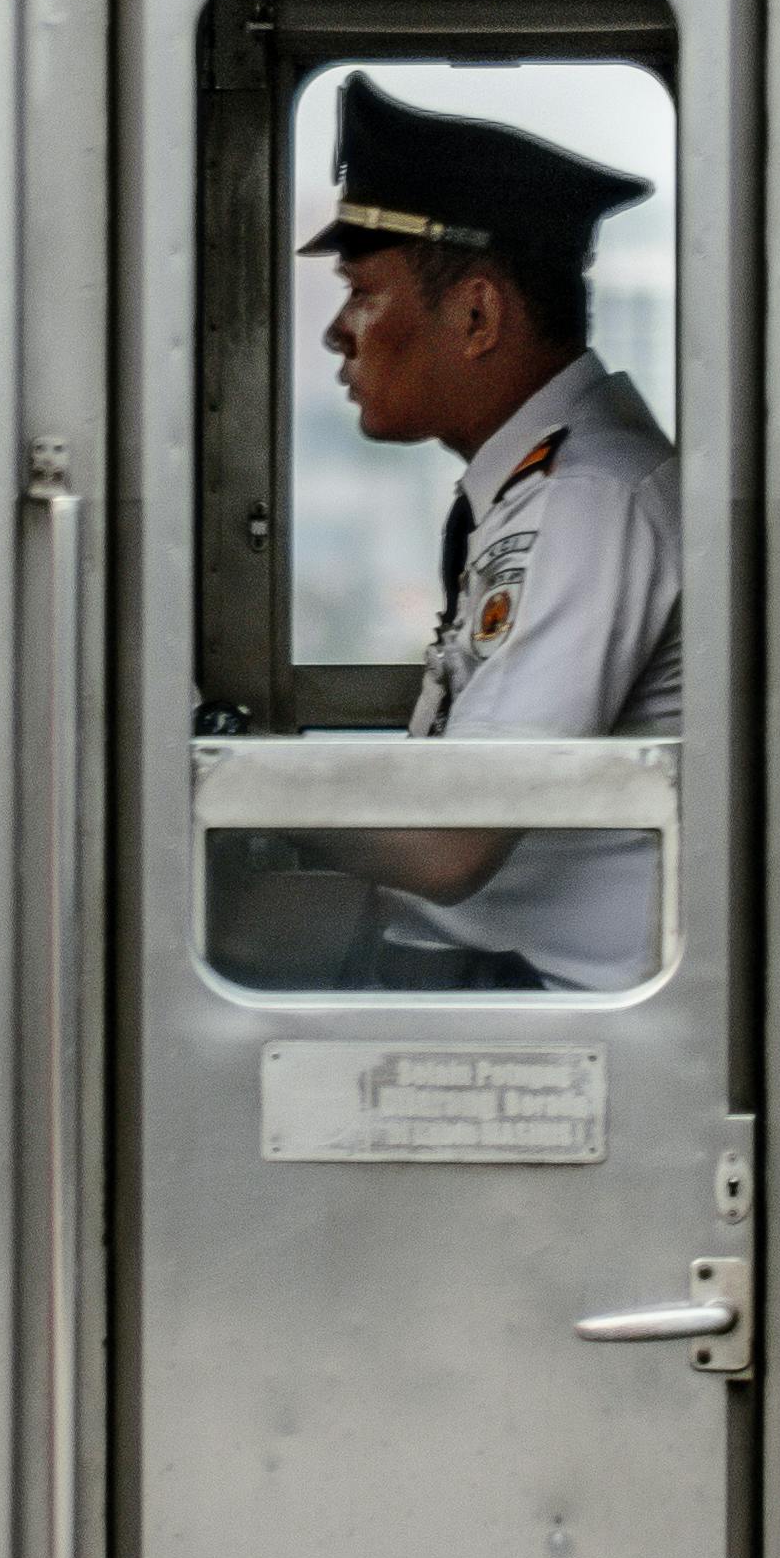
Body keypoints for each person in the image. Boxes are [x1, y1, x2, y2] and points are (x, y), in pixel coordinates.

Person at [298, 74, 680, 994]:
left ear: (476, 314)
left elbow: (451, 841)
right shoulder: (534, 486)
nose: (335, 335)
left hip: (532, 1006)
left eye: (361, 292)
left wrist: (237, 799)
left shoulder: (589, 499)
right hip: (479, 977)